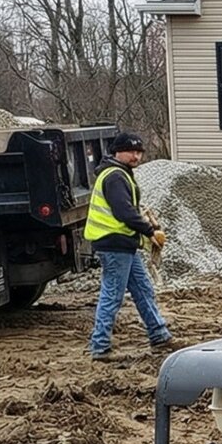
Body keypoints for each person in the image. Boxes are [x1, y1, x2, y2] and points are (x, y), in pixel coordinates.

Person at [86, 132, 180, 360]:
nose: (136, 156)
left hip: (123, 243)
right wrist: (150, 231)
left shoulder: (119, 174)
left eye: (139, 152)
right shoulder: (115, 177)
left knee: (143, 289)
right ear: (118, 151)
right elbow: (124, 212)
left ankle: (159, 334)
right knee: (113, 295)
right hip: (114, 242)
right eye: (132, 152)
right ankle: (99, 346)